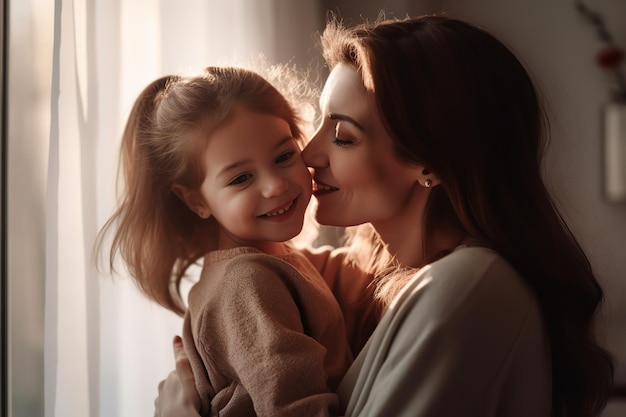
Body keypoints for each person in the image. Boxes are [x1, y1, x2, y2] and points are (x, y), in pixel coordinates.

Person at [154, 13, 615, 417]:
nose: (308, 154)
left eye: (343, 136)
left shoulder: (469, 284)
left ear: (429, 162)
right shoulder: (384, 279)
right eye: (316, 125)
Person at [97, 64, 381, 417]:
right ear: (196, 201)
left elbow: (352, 270)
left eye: (283, 156)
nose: (275, 185)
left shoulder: (273, 262)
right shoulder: (247, 283)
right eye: (241, 178)